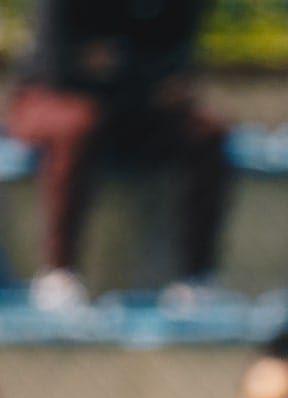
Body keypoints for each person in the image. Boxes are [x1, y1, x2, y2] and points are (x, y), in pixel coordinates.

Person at [5, 0, 233, 312]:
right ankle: (58, 274)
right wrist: (140, 76)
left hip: (134, 108)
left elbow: (178, 68)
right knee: (80, 124)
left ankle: (197, 279)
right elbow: (59, 67)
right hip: (45, 99)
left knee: (206, 133)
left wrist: (118, 68)